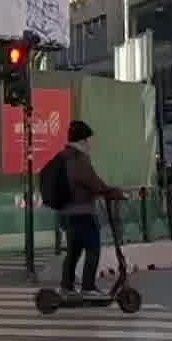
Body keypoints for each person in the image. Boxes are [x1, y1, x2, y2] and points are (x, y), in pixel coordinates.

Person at [40, 118, 122, 295]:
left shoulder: (64, 156)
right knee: (93, 250)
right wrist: (112, 192)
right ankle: (87, 287)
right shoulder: (78, 159)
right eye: (89, 140)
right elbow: (92, 182)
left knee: (74, 251)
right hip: (82, 213)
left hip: (67, 214)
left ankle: (67, 286)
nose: (91, 144)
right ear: (82, 140)